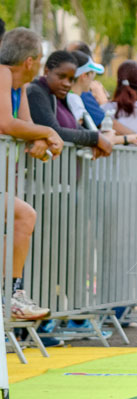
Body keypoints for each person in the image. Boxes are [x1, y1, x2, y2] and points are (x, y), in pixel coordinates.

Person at [0, 28, 63, 320]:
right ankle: (10, 296)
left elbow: (23, 123)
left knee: (24, 215)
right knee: (24, 215)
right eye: (39, 61)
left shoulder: (18, 85)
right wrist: (48, 132)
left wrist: (38, 138)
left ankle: (12, 294)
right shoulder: (1, 73)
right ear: (30, 61)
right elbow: (7, 124)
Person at [25, 51, 114, 157]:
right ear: (46, 71)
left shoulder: (60, 97)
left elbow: (76, 129)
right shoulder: (36, 93)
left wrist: (94, 141)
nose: (67, 84)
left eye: (71, 79)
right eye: (61, 76)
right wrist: (95, 138)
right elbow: (55, 132)